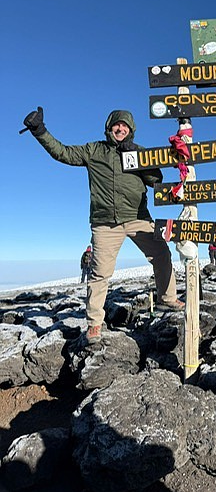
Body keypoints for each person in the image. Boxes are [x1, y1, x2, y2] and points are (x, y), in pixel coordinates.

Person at [22, 107, 184, 343]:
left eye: (125, 126)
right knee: (99, 273)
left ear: (131, 130)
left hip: (138, 216)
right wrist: (40, 131)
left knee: (161, 253)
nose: (120, 129)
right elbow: (63, 153)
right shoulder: (94, 150)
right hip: (104, 222)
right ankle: (94, 324)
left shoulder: (138, 151)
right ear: (109, 128)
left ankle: (167, 298)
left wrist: (137, 159)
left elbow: (155, 180)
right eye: (117, 125)